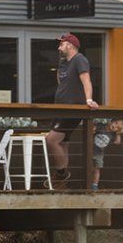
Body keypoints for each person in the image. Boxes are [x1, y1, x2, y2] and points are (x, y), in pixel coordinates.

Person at [44, 32, 97, 186]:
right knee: (63, 142)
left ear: (70, 45)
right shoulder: (63, 62)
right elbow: (61, 82)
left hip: (72, 109)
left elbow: (86, 81)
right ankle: (62, 183)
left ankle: (61, 173)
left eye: (62, 43)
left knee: (52, 140)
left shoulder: (79, 59)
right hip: (61, 108)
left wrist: (88, 99)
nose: (59, 47)